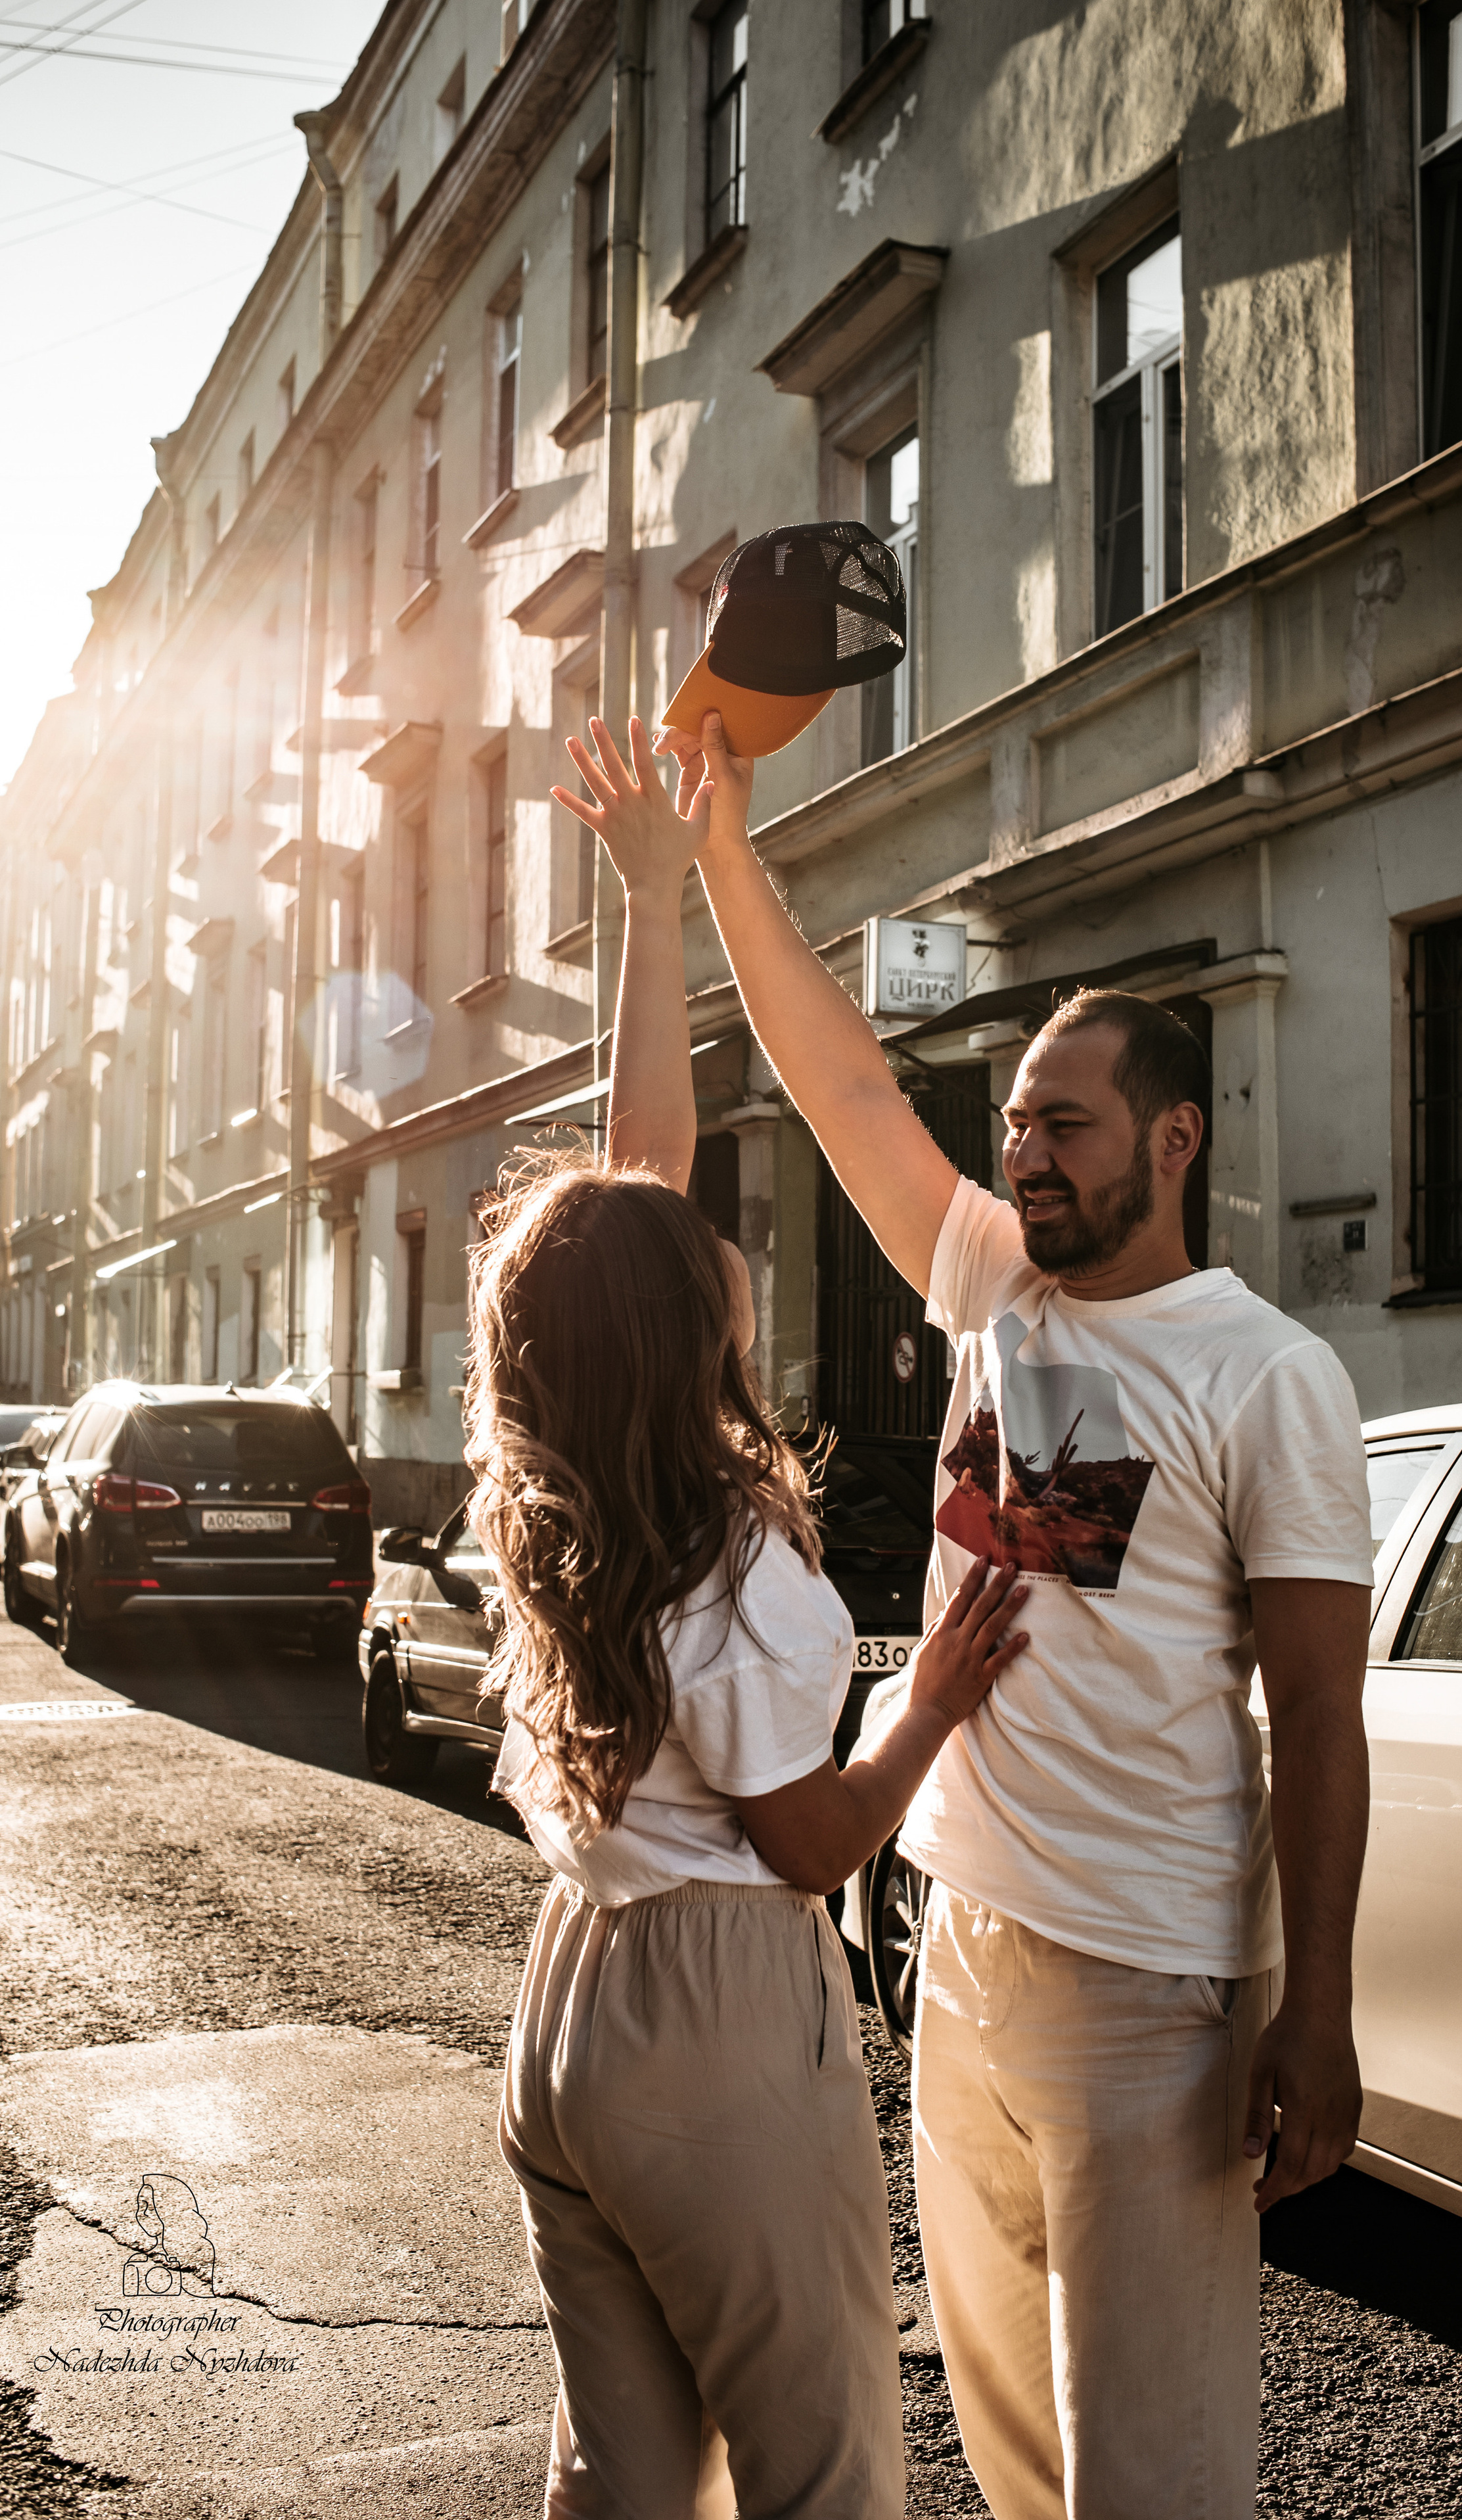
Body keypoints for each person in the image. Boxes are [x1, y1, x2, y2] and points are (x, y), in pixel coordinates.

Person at [635, 707, 1376, 2520]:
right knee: (1018, 2458)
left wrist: (1320, 2008)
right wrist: (723, 847)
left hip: (1153, 1984)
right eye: (1019, 1120)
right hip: (961, 1950)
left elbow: (1315, 1716)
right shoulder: (996, 1289)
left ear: (1175, 1137)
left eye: (1068, 1121)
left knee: (1157, 2469)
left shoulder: (1269, 1378)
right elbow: (844, 1090)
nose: (1025, 1150)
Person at [471, 714, 1031, 2520]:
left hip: (571, 2010)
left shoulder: (571, 1489)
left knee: (620, 2484)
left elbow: (639, 1161)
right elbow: (803, 1840)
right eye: (703, 1248)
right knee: (825, 2476)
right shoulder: (718, 1533)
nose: (723, 1238)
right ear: (671, 1322)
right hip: (717, 2002)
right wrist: (929, 1699)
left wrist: (655, 899)